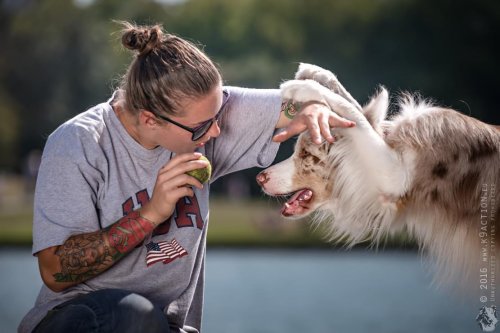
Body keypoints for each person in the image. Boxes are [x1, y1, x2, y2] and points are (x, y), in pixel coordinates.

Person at [18, 21, 354, 333]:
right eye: (204, 126)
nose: (218, 130)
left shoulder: (204, 115)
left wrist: (314, 107)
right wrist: (151, 213)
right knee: (134, 314)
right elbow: (55, 272)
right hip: (75, 320)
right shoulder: (78, 143)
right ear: (150, 120)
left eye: (218, 112)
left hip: (165, 327)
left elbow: (300, 101)